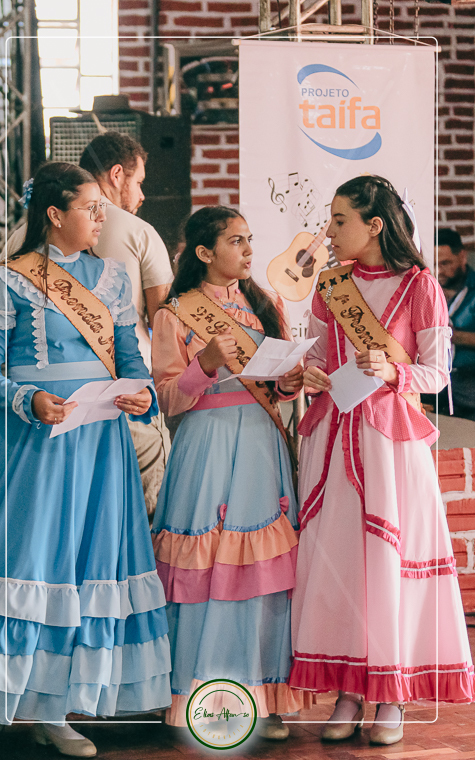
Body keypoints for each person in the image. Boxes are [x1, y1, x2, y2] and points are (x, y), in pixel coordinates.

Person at [0, 162, 171, 756]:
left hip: (99, 442)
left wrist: (141, 393)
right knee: (29, 563)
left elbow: (131, 360)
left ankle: (55, 710)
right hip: (34, 442)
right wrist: (28, 399)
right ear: (55, 214)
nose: (101, 217)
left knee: (84, 566)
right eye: (90, 207)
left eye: (103, 206)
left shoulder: (112, 278)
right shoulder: (6, 279)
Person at [289, 176, 473, 746]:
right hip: (333, 437)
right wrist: (309, 373)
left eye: (339, 220)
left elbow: (437, 374)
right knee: (341, 563)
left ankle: (389, 693)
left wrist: (394, 371)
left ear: (374, 225)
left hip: (389, 443)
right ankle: (348, 690)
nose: (329, 231)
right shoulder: (330, 285)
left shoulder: (420, 285)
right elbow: (319, 356)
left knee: (387, 562)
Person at [150, 206, 310, 740]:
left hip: (261, 441)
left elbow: (277, 385)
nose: (248, 250)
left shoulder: (266, 305)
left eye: (249, 239)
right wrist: (205, 365)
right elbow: (167, 398)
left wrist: (288, 383)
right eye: (236, 241)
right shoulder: (175, 314)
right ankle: (203, 695)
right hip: (208, 444)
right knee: (208, 564)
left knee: (262, 567)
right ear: (204, 252)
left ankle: (264, 696)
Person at [5, 131, 173, 517]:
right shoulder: (138, 231)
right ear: (116, 174)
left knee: (55, 514)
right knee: (130, 511)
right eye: (138, 181)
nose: (141, 195)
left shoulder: (19, 237)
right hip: (120, 398)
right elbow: (164, 324)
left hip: (41, 404)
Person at [435, 228, 475, 419]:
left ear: (462, 257)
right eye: (434, 264)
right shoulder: (427, 288)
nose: (438, 271)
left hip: (468, 376)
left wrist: (451, 335)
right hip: (434, 375)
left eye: (445, 263)